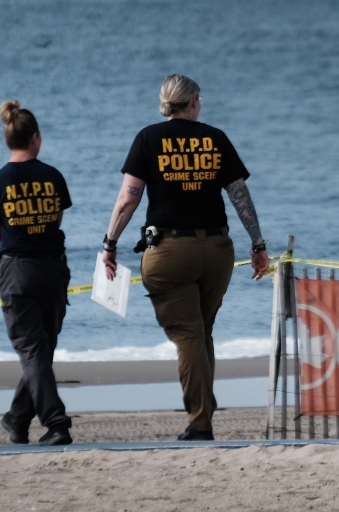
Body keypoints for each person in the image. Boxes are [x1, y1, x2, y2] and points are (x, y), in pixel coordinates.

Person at [102, 74, 270, 441]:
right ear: (192, 101)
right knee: (201, 331)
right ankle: (203, 412)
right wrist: (257, 243)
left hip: (169, 252)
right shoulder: (215, 138)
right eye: (200, 99)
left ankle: (200, 423)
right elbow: (240, 196)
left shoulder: (148, 138)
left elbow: (128, 199)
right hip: (216, 251)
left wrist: (109, 243)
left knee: (189, 336)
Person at [0, 100, 73, 446]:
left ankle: (56, 422)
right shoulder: (53, 177)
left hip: (17, 271)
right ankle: (17, 419)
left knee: (34, 351)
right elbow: (55, 221)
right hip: (53, 267)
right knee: (41, 350)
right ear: (35, 137)